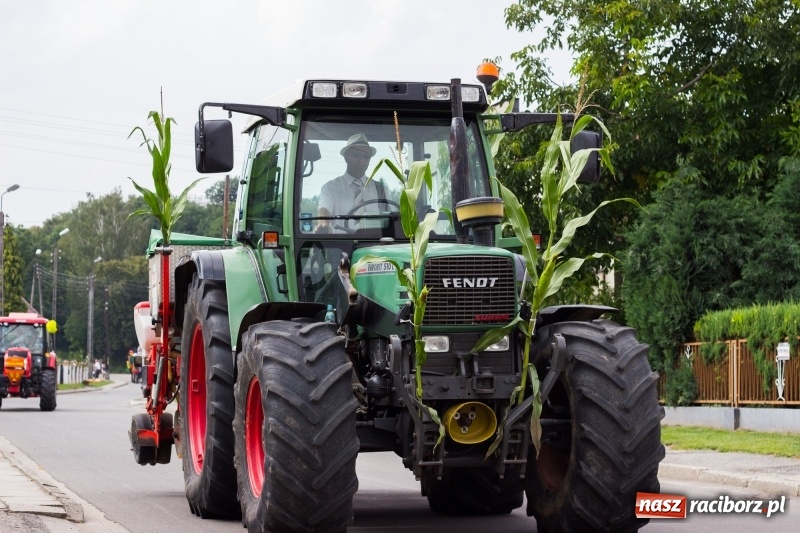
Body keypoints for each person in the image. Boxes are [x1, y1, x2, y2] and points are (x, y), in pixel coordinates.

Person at [315, 133, 387, 232]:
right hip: (341, 246)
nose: (361, 160)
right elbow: (324, 209)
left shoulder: (381, 189)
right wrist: (323, 224)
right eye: (356, 155)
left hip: (375, 245)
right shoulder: (330, 188)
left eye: (366, 156)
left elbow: (392, 216)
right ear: (346, 157)